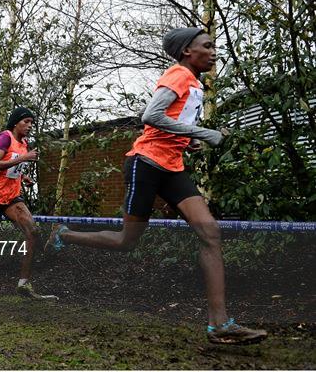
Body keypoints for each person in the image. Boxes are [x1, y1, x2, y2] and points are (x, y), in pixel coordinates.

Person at [46, 28, 267, 345]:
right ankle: (64, 234)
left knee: (210, 232)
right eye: (207, 46)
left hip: (172, 167)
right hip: (146, 164)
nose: (214, 51)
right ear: (188, 52)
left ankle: (220, 324)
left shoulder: (195, 84)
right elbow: (151, 116)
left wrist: (187, 139)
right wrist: (202, 133)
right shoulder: (178, 74)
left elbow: (173, 122)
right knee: (127, 241)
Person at [0, 106, 57, 300]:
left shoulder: (24, 144)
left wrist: (24, 176)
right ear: (15, 122)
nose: (29, 126)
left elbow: (13, 167)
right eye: (26, 122)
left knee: (33, 231)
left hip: (11, 197)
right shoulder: (5, 137)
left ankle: (24, 284)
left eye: (31, 123)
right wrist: (24, 158)